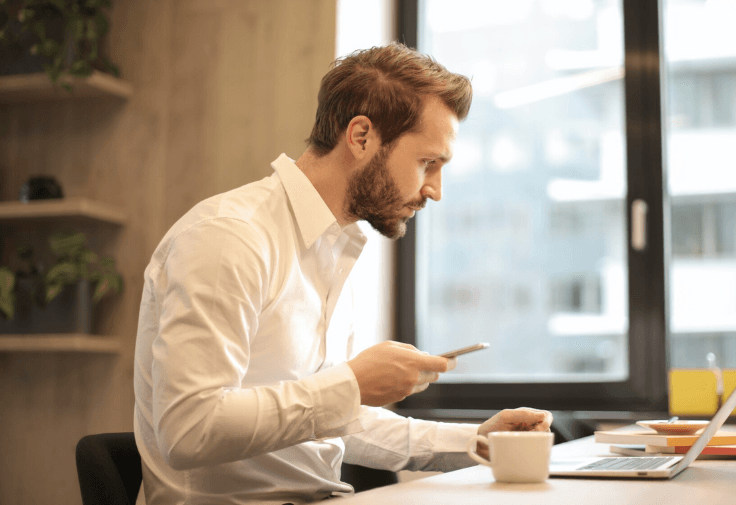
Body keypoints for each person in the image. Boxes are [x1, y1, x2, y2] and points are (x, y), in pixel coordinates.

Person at [133, 42, 553, 505]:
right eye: (427, 163)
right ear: (360, 137)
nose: (434, 190)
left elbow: (327, 416)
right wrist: (351, 383)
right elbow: (189, 428)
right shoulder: (229, 237)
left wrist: (474, 441)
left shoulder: (335, 247)